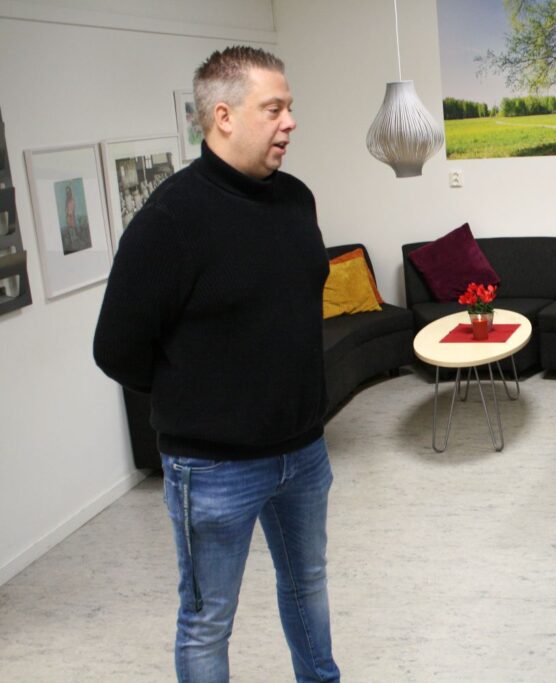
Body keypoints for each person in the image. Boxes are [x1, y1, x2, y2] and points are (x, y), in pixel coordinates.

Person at [93, 46, 340, 682]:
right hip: (212, 470)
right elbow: (116, 348)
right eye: (274, 109)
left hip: (303, 453)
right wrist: (203, 400)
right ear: (224, 117)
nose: (290, 122)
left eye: (290, 108)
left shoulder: (297, 200)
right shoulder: (169, 220)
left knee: (308, 585)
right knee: (208, 620)